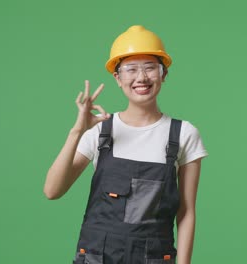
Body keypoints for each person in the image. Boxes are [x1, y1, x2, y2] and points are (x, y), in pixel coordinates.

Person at [44, 25, 208, 264]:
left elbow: (186, 213)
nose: (141, 78)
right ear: (117, 78)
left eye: (150, 68)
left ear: (163, 74)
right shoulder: (100, 131)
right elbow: (52, 191)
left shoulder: (184, 134)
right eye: (131, 69)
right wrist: (77, 131)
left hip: (154, 257)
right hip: (97, 256)